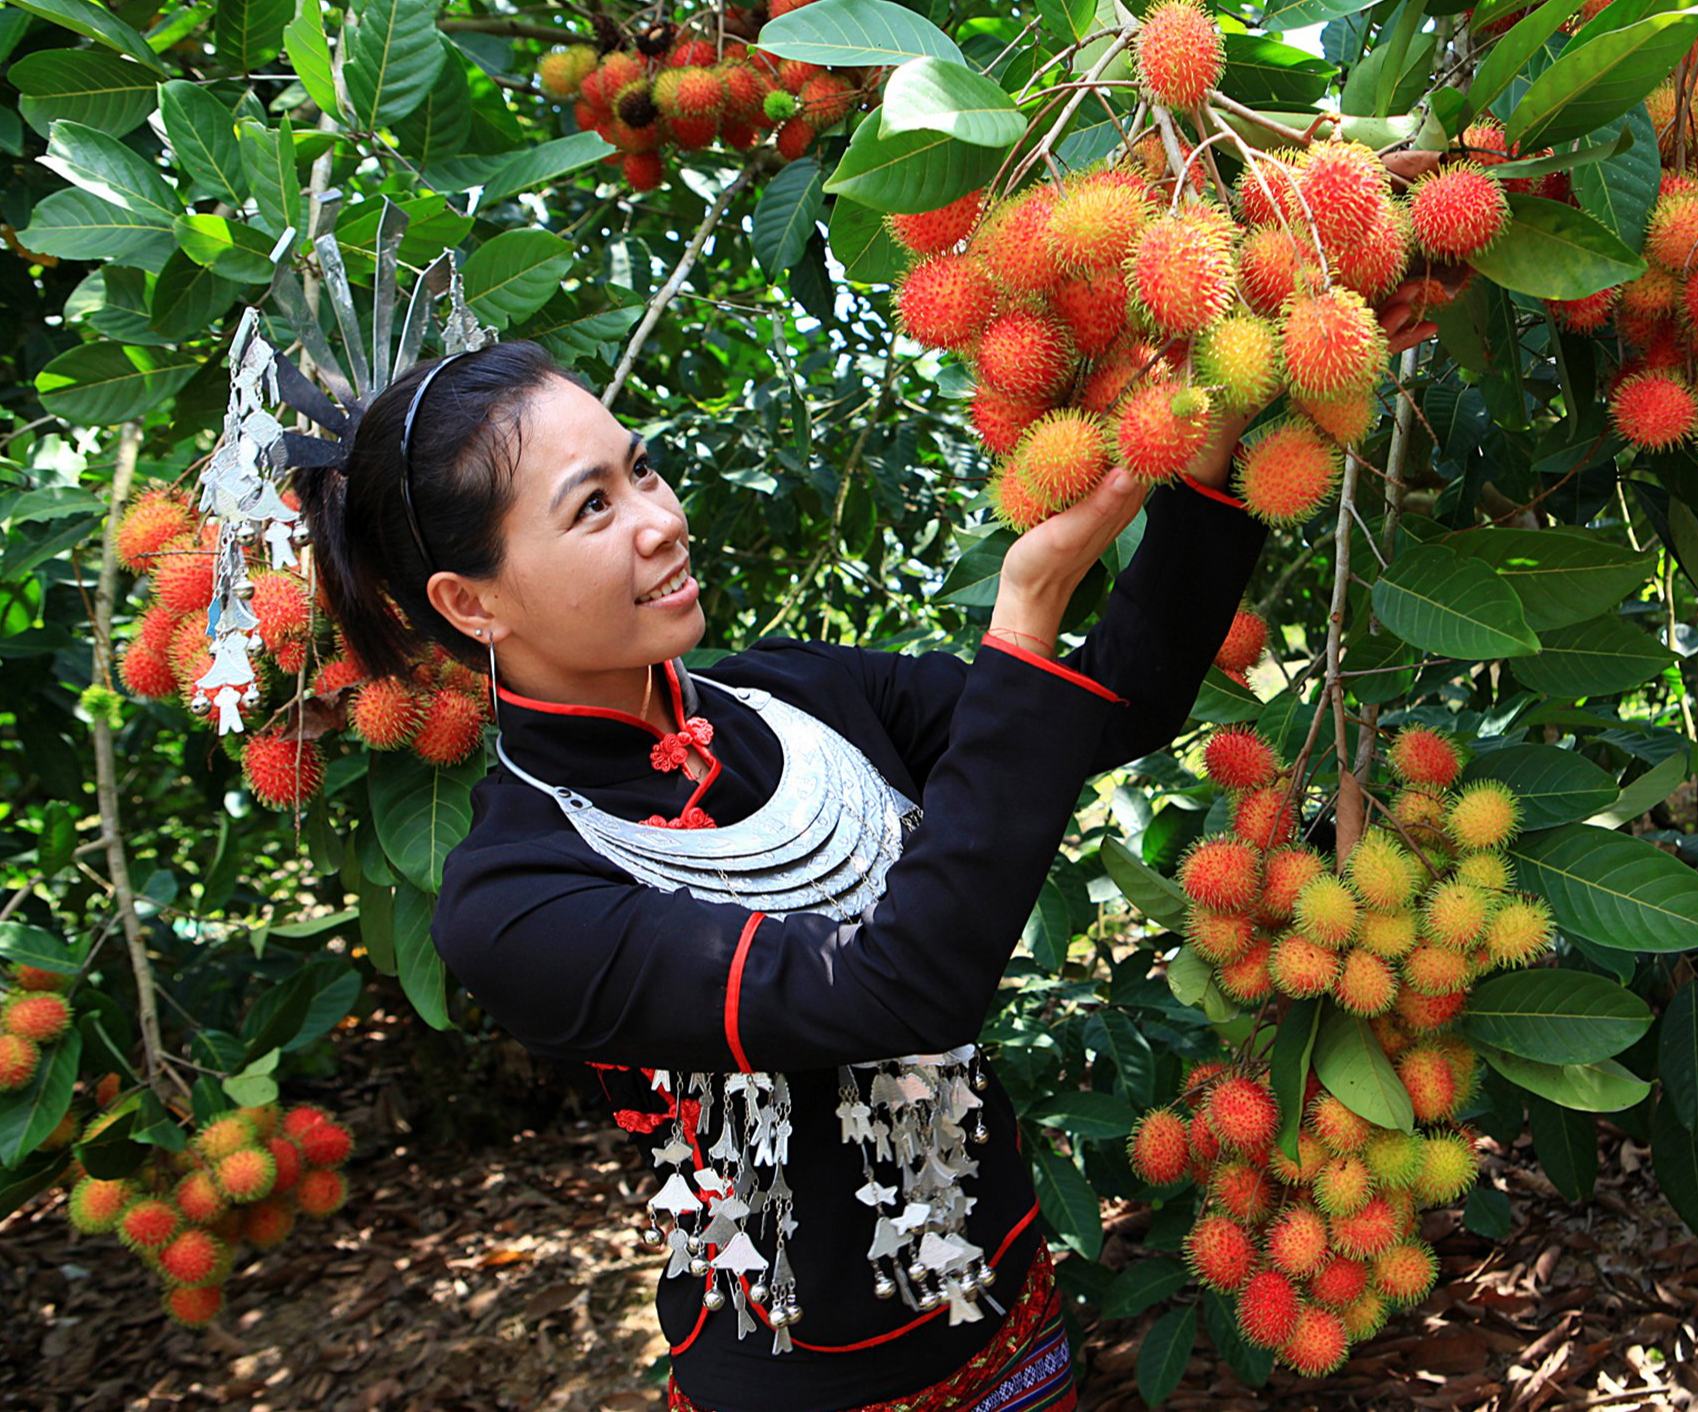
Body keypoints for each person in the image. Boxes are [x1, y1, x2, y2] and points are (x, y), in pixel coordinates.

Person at [295, 338, 1268, 1411]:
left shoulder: (792, 695)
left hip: (1012, 1311)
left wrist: (1205, 444)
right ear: (471, 604)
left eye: (643, 469)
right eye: (590, 508)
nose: (660, 519)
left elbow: (1107, 702)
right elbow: (896, 988)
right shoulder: (516, 898)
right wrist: (1023, 608)